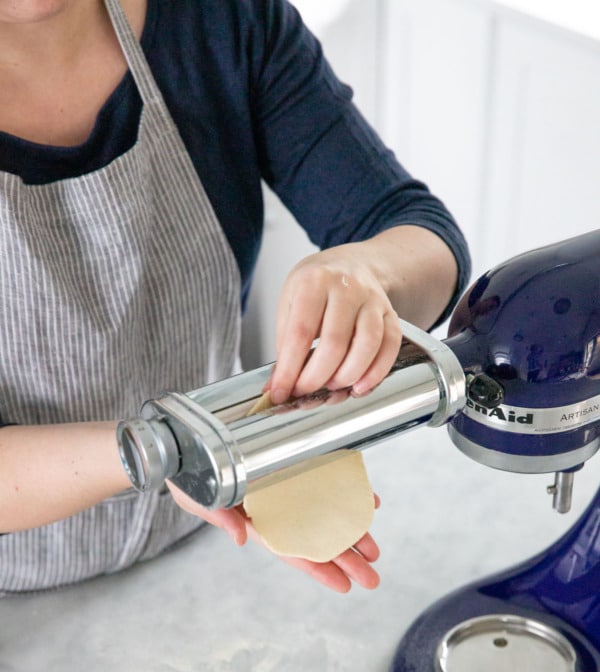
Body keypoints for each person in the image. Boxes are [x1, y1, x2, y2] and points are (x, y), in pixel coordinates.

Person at [0, 0, 470, 595]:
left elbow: (421, 232)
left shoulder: (221, 21)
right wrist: (165, 450)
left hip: (217, 533)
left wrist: (369, 271)